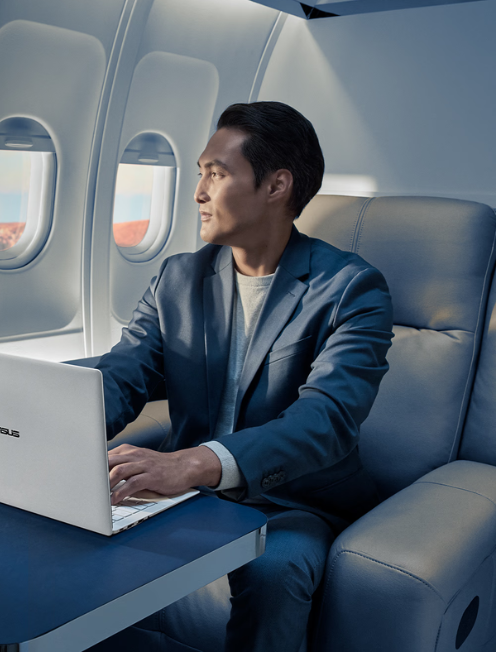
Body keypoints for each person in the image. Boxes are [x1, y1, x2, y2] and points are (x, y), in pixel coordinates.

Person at [97, 101, 394, 651]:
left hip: (293, 502)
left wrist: (193, 463)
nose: (199, 193)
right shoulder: (178, 278)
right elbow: (124, 373)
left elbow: (326, 420)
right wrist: (51, 423)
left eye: (217, 173)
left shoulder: (352, 288)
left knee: (271, 573)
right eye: (199, 174)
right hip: (184, 494)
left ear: (276, 186)